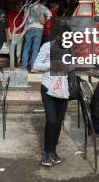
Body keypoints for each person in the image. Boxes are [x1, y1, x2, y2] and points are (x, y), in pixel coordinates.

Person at [33, 24, 73, 166]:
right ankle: (46, 152)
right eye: (64, 36)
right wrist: (52, 64)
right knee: (51, 120)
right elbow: (35, 66)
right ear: (58, 35)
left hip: (63, 89)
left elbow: (73, 66)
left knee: (58, 121)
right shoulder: (47, 46)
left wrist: (70, 65)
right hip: (48, 88)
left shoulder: (70, 48)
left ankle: (53, 150)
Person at [22, 0, 52, 70]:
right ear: (43, 2)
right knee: (35, 48)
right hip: (39, 27)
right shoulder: (43, 7)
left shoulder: (29, 6)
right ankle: (33, 67)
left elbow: (24, 17)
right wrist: (44, 21)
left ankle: (23, 66)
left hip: (29, 27)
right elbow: (50, 15)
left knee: (26, 47)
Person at [7, 0, 25, 69]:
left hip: (19, 33)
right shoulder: (13, 13)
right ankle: (13, 63)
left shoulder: (22, 13)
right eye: (19, 5)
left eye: (21, 5)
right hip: (14, 33)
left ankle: (16, 63)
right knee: (13, 49)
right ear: (16, 5)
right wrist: (9, 34)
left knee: (16, 49)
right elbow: (8, 23)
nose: (20, 6)